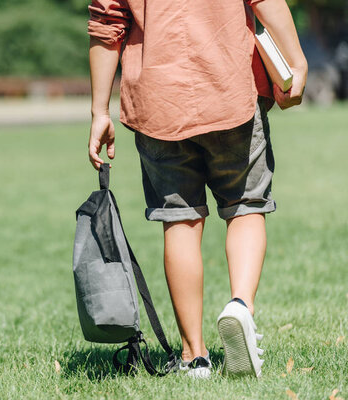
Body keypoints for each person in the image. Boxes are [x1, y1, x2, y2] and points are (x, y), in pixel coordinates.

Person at [87, 0, 307, 378]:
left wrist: (99, 112)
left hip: (158, 99)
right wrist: (297, 62)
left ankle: (194, 356)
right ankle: (240, 306)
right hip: (230, 87)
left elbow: (107, 22)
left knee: (180, 221)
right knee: (245, 206)